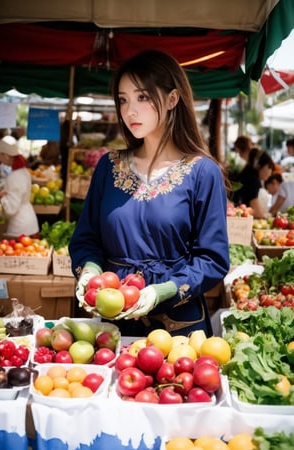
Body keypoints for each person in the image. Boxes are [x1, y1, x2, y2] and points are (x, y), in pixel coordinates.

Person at [69, 50, 230, 338]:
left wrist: (163, 290)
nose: (130, 110)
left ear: (172, 99)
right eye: (123, 99)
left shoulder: (203, 172)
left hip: (179, 328)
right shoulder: (109, 166)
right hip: (113, 320)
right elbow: (86, 239)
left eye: (143, 97)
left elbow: (213, 259)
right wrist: (90, 272)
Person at [0, 135, 39, 238]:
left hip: (20, 228)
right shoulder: (24, 172)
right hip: (30, 223)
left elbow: (11, 209)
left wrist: (1, 198)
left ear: (6, 155)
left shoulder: (13, 177)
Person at [232, 147, 275, 219]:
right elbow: (257, 212)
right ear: (259, 166)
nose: (270, 172)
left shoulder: (246, 175)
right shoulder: (253, 181)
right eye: (269, 167)